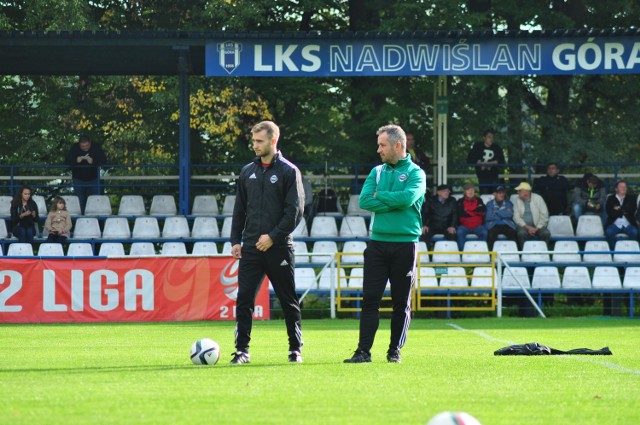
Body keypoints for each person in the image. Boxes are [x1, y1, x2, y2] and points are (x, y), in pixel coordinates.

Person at [344, 124, 425, 364]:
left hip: (405, 244)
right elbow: (365, 201)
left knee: (401, 302)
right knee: (370, 299)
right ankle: (363, 352)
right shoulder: (376, 172)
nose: (378, 149)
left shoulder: (416, 173)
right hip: (377, 244)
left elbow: (408, 198)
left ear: (397, 145)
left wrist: (383, 197)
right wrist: (394, 202)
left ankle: (394, 351)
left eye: (382, 145)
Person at [229, 121, 305, 365]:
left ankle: (295, 350)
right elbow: (239, 209)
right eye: (253, 141)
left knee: (287, 299)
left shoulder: (288, 171)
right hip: (251, 247)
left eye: (259, 141)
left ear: (273, 141)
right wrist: (235, 240)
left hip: (279, 247)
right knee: (244, 300)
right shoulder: (246, 172)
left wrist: (272, 237)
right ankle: (242, 351)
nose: (255, 145)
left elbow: (295, 212)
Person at [65, 134, 107, 214]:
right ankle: (81, 222)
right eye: (83, 146)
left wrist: (93, 161)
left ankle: (98, 223)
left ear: (90, 143)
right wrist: (76, 160)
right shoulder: (75, 148)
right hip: (79, 180)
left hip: (94, 179)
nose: (85, 148)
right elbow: (67, 161)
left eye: (87, 146)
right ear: (79, 145)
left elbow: (104, 160)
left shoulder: (96, 147)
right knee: (80, 202)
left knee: (96, 202)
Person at [512, 182, 551, 249]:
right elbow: (516, 217)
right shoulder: (516, 200)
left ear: (526, 191)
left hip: (538, 225)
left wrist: (537, 228)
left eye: (519, 190)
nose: (518, 192)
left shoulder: (538, 198)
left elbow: (544, 215)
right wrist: (528, 227)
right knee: (521, 233)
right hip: (523, 225)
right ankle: (524, 254)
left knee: (546, 233)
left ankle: (543, 253)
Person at [467, 129, 505, 194]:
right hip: (482, 176)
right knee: (484, 194)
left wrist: (487, 164)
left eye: (492, 137)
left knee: (495, 193)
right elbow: (470, 160)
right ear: (484, 138)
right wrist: (480, 163)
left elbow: (501, 161)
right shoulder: (477, 147)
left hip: (494, 175)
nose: (491, 139)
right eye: (489, 137)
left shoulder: (496, 148)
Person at [604, 180, 638, 250]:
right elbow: (609, 212)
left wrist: (618, 208)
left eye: (625, 187)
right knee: (608, 232)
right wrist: (624, 209)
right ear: (616, 189)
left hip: (628, 224)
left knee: (635, 232)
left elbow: (632, 210)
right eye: (621, 187)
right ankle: (615, 251)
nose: (624, 188)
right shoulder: (611, 198)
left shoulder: (631, 198)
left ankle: (630, 250)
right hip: (614, 224)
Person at [456, 183, 488, 250]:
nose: (470, 192)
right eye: (468, 190)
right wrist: (475, 211)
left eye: (472, 190)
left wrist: (467, 210)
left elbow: (482, 211)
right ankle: (463, 253)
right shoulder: (460, 201)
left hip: (477, 226)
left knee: (484, 232)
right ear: (464, 191)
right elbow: (461, 213)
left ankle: (479, 251)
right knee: (459, 232)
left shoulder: (479, 200)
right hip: (464, 226)